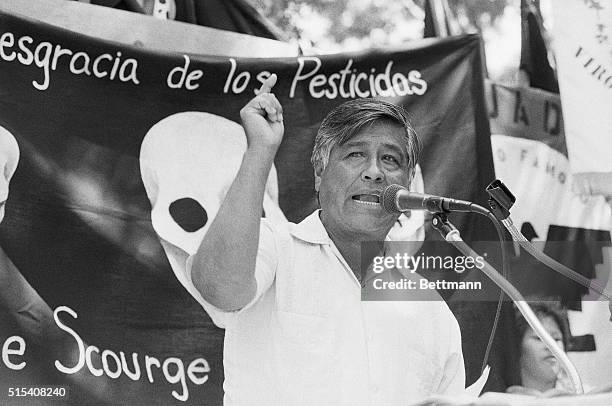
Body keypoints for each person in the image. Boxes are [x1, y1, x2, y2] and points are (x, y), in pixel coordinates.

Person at [182, 74, 465, 405]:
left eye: (390, 159)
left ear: (407, 183)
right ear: (319, 173)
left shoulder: (431, 310)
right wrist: (261, 148)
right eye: (355, 154)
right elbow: (219, 287)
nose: (374, 172)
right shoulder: (276, 246)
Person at [506, 302, 573, 396]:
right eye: (539, 338)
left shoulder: (585, 398)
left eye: (556, 339)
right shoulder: (493, 400)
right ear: (517, 346)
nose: (551, 346)